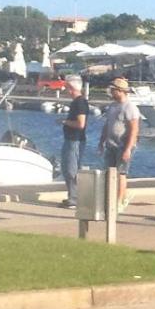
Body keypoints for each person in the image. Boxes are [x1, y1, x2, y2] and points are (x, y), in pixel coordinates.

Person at [98, 77, 141, 214]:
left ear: (120, 91)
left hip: (123, 144)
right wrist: (101, 141)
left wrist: (128, 149)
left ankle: (119, 201)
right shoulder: (112, 106)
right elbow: (107, 125)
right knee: (109, 172)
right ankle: (109, 199)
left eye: (113, 90)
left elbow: (134, 129)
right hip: (111, 144)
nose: (111, 92)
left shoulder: (130, 107)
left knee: (121, 173)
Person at [59, 74, 89, 209]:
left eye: (66, 87)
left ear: (71, 88)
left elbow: (81, 124)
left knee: (72, 169)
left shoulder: (80, 102)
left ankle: (75, 198)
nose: (65, 90)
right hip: (70, 139)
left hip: (75, 140)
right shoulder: (76, 102)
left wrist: (65, 122)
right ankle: (72, 196)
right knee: (67, 168)